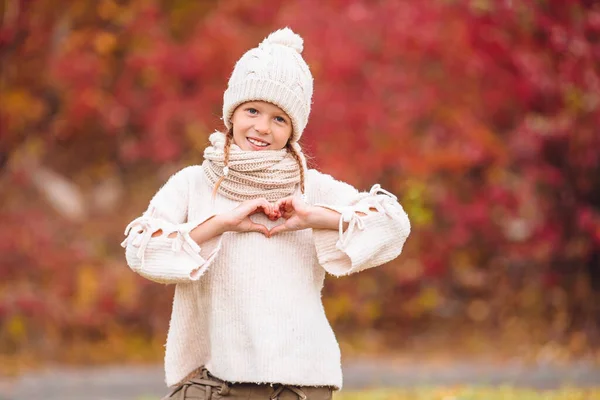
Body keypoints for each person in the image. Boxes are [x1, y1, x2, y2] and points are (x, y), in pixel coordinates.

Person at [121, 27, 411, 400]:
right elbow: (140, 251)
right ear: (232, 113)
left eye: (279, 119)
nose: (261, 127)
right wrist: (219, 224)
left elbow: (393, 225)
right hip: (217, 382)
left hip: (299, 384)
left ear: (293, 129)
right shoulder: (194, 183)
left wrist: (317, 218)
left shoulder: (309, 187)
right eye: (252, 110)